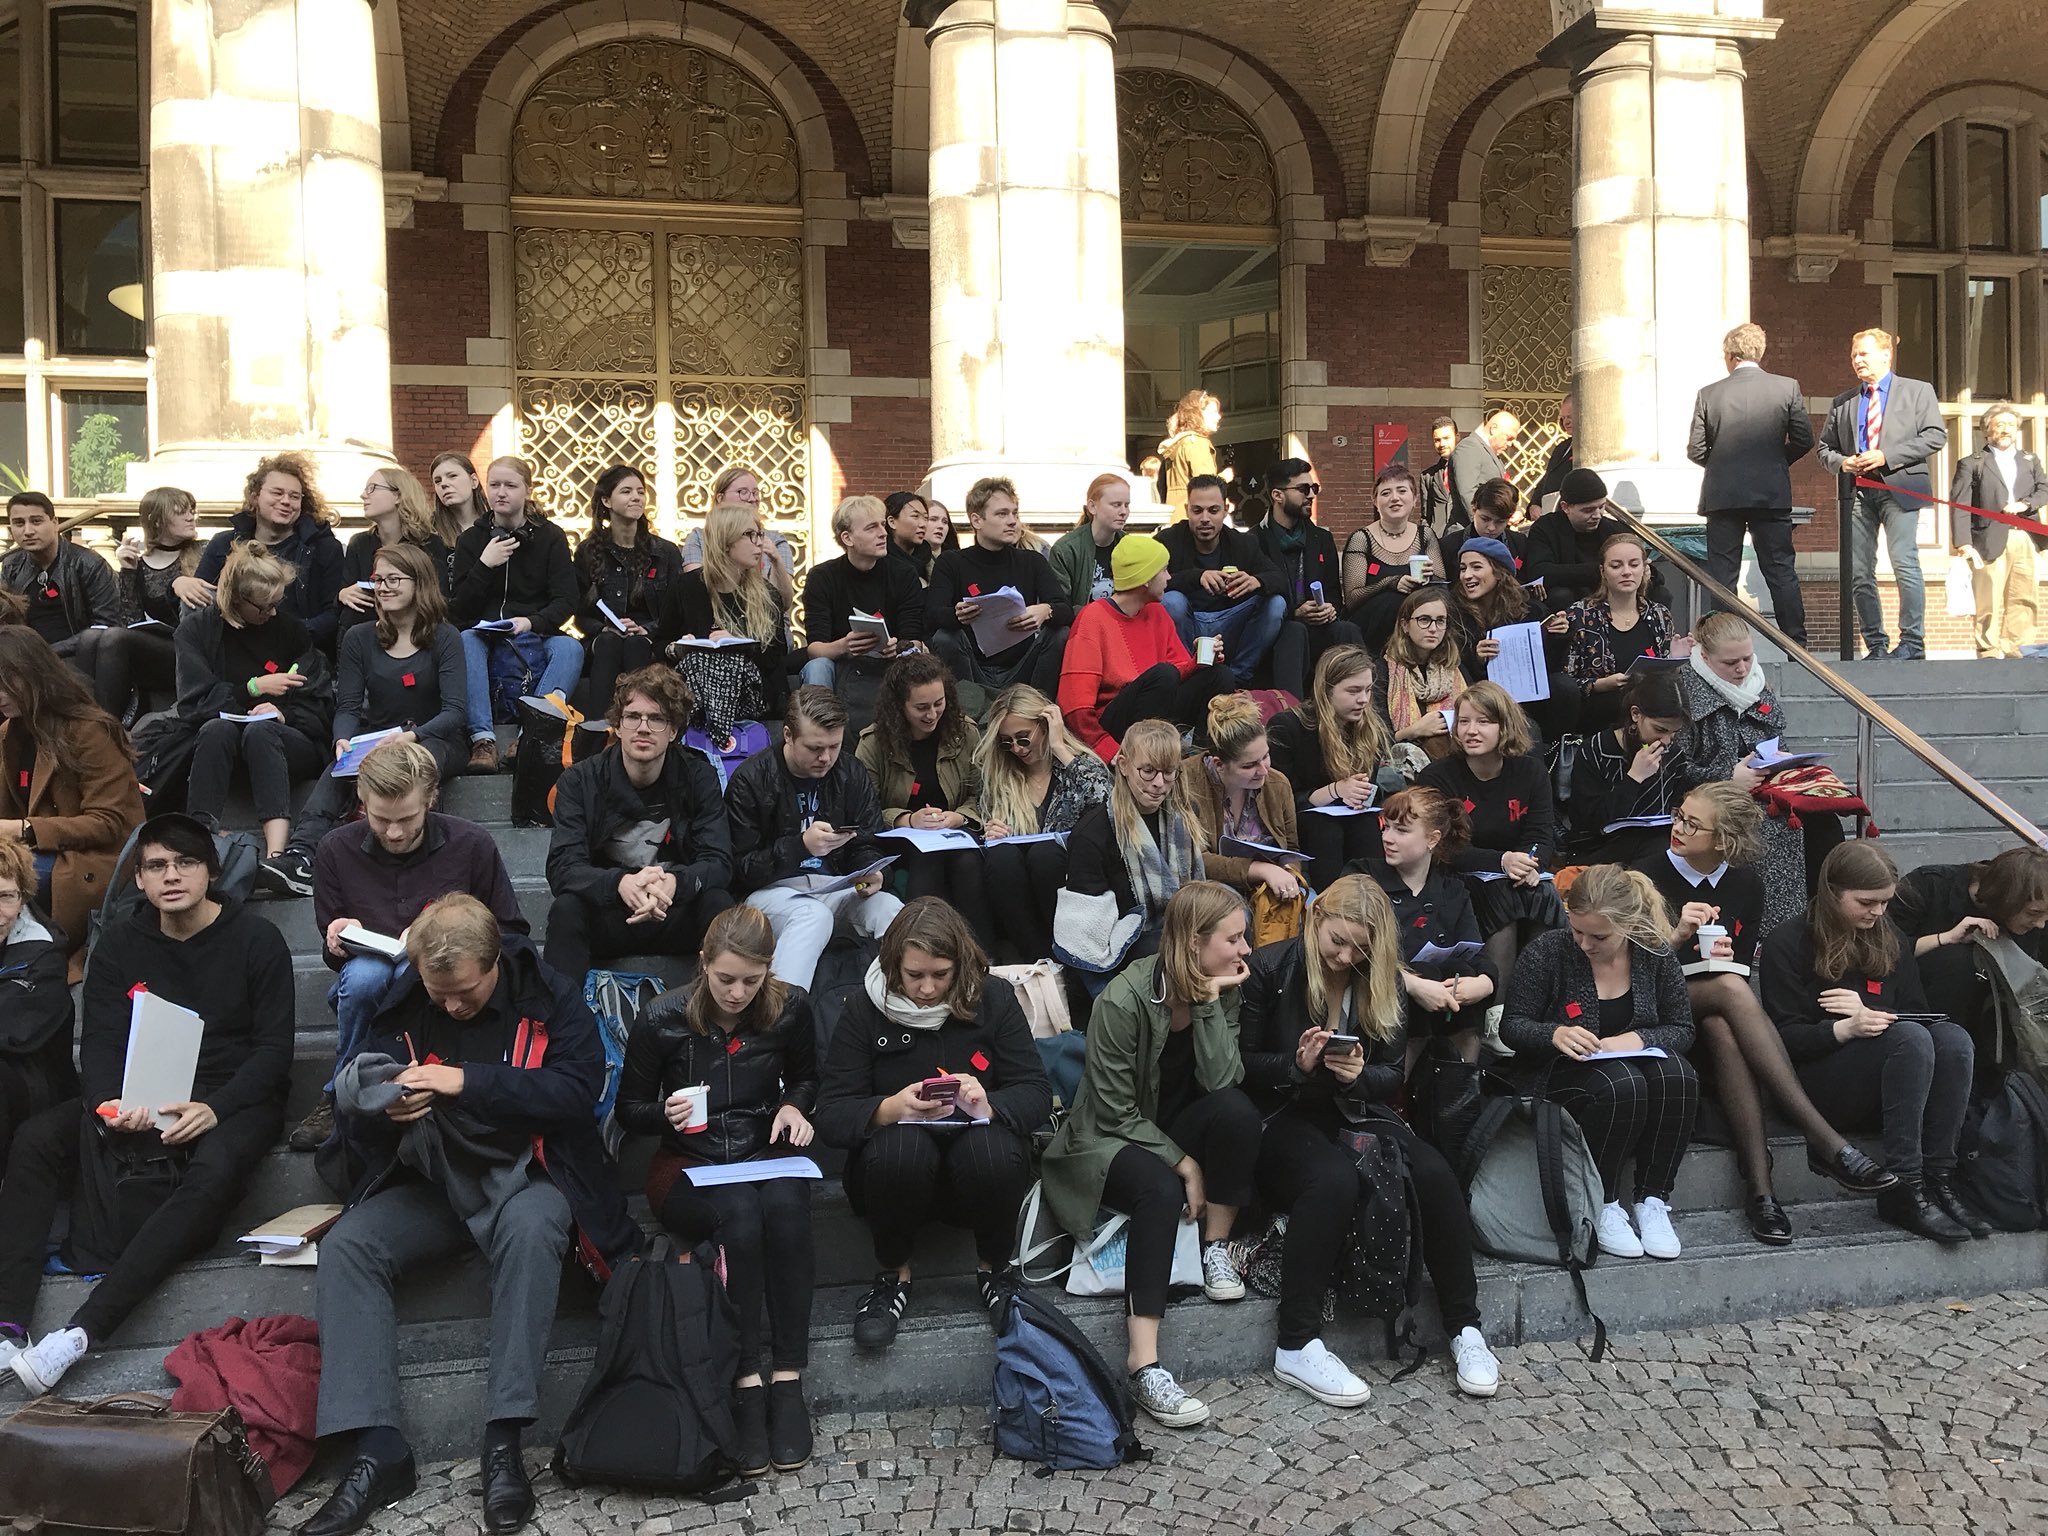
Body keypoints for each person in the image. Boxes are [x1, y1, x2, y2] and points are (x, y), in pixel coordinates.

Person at [302, 895, 637, 1536]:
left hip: (531, 1172)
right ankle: (378, 1449)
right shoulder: (405, 998)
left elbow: (579, 1090)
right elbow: (357, 1087)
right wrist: (379, 1108)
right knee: (349, 1245)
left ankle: (504, 1437)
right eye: (439, 993)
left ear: (494, 965)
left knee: (536, 1228)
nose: (451, 1006)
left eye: (465, 994)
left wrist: (467, 1080)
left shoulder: (549, 994)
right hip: (434, 1180)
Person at [0, 813, 290, 1397]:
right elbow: (101, 1040)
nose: (172, 876)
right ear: (138, 878)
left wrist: (215, 1108)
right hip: (142, 1089)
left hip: (231, 1097)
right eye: (156, 865)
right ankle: (8, 1324)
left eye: (185, 863)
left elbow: (273, 1051)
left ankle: (80, 1332)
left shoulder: (257, 939)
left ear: (210, 870)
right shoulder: (121, 945)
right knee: (36, 1139)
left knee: (212, 1174)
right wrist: (110, 1104)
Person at [1238, 874, 1502, 1399]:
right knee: (1331, 1183)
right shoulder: (1272, 968)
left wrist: (1358, 1074)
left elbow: (1390, 1074)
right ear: (1316, 921)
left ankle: (1465, 1327)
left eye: (1359, 947)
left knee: (1434, 1174)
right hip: (1282, 1112)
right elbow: (1240, 1066)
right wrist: (1298, 1064)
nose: (1343, 957)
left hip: (1352, 1108)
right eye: (1337, 942)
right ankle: (1296, 1342)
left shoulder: (1378, 977)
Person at [1040, 882, 1261, 1427]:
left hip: (1172, 1123)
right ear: (1192, 943)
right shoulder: (1123, 999)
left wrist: (1209, 1003)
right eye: (1233, 939)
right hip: (1106, 1137)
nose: (1245, 951)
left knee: (1238, 1111)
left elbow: (1223, 1080)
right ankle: (1145, 1365)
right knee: (1158, 1188)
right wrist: (1185, 1164)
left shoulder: (1224, 987)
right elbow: (1114, 1112)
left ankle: (1215, 1248)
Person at [1633, 782, 1892, 1245]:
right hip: (1646, 1005)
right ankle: (1824, 1140)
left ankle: (1762, 1191)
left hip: (1712, 1014)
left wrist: (1726, 957)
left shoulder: (1746, 884)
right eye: (1680, 815)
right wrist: (1674, 938)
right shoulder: (1643, 874)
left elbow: (1737, 963)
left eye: (1693, 824)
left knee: (1722, 1025)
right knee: (1731, 990)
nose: (1678, 827)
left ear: (1723, 839)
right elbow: (1620, 971)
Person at [615, 904, 820, 1476]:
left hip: (762, 1148)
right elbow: (628, 1109)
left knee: (785, 1209)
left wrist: (794, 1106)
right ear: (703, 963)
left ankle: (788, 1378)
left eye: (752, 981)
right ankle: (745, 1377)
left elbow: (807, 1077)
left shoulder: (789, 1008)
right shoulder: (662, 1016)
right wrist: (665, 1112)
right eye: (726, 978)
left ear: (769, 971)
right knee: (740, 1215)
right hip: (686, 1159)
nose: (737, 992)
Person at [815, 897, 1051, 1349]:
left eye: (940, 975)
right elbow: (832, 1112)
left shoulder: (994, 997)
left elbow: (1036, 1091)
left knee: (994, 1151)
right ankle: (893, 1275)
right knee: (902, 1147)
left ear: (960, 966)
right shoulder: (865, 1007)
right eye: (914, 975)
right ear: (893, 967)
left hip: (979, 1167)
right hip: (893, 1174)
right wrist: (890, 1109)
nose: (926, 989)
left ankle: (994, 1269)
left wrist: (988, 1106)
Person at [297, 740, 526, 1153]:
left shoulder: (471, 844)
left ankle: (409, 1083)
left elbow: (510, 931)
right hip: (366, 976)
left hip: (445, 976)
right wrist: (337, 938)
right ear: (361, 801)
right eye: (380, 819)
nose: (395, 832)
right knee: (369, 975)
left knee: (410, 973)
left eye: (407, 818)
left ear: (431, 799)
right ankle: (344, 1091)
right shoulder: (335, 849)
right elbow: (333, 958)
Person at [1758, 843, 1981, 1244]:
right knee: (1909, 1039)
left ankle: (1940, 1176)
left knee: (1953, 1040)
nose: (1878, 913)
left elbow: (1914, 1009)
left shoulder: (1889, 935)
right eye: (1866, 902)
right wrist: (1842, 1029)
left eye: (1885, 903)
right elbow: (1781, 1041)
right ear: (1831, 891)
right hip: (1815, 1084)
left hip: (1890, 1072)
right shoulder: (1788, 942)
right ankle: (1904, 1187)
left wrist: (1869, 1010)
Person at [1500, 863, 1699, 1260]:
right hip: (1559, 1072)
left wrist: (1639, 1037)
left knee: (1680, 1074)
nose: (1585, 943)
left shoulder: (1654, 953)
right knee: (1622, 1083)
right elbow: (1512, 1026)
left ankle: (1653, 1200)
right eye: (1577, 930)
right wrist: (1554, 1034)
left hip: (1628, 1066)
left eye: (1599, 936)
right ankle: (1603, 1202)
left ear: (1628, 926)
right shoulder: (1549, 951)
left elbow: (1682, 1028)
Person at [265, 541, 469, 893]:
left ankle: (406, 856)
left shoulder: (445, 637)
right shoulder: (360, 637)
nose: (384, 587)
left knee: (410, 763)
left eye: (395, 579)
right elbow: (347, 707)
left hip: (434, 739)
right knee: (340, 765)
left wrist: (412, 737)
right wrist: (342, 739)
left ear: (419, 582)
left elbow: (455, 711)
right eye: (378, 579)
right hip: (377, 736)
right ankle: (301, 856)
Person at [544, 665, 734, 982]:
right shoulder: (580, 780)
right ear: (618, 726)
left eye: (656, 719)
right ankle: (560, 1022)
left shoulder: (698, 776)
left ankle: (717, 1017)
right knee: (566, 910)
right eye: (633, 717)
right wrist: (619, 883)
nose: (643, 728)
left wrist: (675, 883)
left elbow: (720, 862)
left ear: (673, 731)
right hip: (611, 910)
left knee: (719, 904)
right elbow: (563, 867)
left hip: (672, 907)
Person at [1673, 611, 1841, 935]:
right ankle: (1775, 931)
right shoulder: (1682, 692)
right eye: (1730, 662)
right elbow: (1673, 767)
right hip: (1713, 798)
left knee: (1825, 823)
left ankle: (1822, 923)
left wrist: (1789, 765)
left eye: (1748, 658)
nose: (1742, 668)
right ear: (1704, 657)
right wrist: (1727, 778)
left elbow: (1775, 739)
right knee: (1766, 827)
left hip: (1766, 789)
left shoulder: (1756, 684)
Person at [726, 686, 903, 991]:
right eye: (814, 748)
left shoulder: (850, 771)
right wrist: (799, 847)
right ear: (788, 735)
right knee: (814, 916)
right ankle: (781, 1012)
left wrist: (874, 873)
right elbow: (739, 869)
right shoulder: (751, 778)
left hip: (835, 885)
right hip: (769, 892)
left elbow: (866, 841)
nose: (826, 757)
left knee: (890, 909)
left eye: (834, 746)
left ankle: (909, 1000)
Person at [176, 542, 332, 876]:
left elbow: (317, 703)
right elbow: (193, 702)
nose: (272, 613)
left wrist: (281, 713)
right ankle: (198, 839)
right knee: (215, 729)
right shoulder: (198, 630)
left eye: (278, 603)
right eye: (264, 607)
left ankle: (277, 855)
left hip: (289, 737)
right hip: (221, 738)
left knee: (262, 730)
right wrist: (254, 688)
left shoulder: (289, 630)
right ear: (235, 599)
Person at [0, 628, 143, 981]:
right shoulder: (9, 733)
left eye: (6, 683)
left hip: (94, 860)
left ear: (34, 675)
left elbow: (110, 822)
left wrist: (26, 830)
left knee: (25, 876)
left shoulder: (89, 730)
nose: (0, 695)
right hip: (37, 853)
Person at [1419, 681, 1562, 989]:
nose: (1471, 730)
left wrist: (1531, 863)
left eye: (1483, 722)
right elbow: (1441, 845)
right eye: (1464, 721)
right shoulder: (1438, 776)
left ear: (1504, 726)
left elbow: (1540, 834)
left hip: (1513, 871)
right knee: (1502, 896)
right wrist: (1502, 861)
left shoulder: (1531, 771)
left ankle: (1534, 1002)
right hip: (1457, 875)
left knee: (1543, 893)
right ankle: (1496, 1016)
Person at [1819, 327, 1947, 660]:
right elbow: (1824, 449)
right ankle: (1875, 644)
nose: (1857, 360)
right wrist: (1843, 462)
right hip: (1858, 493)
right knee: (1859, 570)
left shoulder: (1917, 392)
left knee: (1905, 562)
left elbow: (1935, 436)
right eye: (1853, 355)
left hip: (1900, 488)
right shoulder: (1843, 402)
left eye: (1864, 353)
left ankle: (1912, 643)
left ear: (1886, 355)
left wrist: (1886, 455)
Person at [448, 455, 581, 773]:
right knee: (465, 639)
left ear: (527, 491)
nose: (501, 492)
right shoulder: (472, 540)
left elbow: (566, 600)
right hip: (483, 632)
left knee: (570, 648)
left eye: (510, 485)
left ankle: (531, 735)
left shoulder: (550, 537)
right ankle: (483, 739)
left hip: (535, 631)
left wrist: (532, 622)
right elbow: (458, 609)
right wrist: (484, 564)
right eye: (494, 485)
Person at [1687, 322, 1814, 644]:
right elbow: (1803, 439)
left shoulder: (1709, 393)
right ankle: (1796, 645)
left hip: (1723, 495)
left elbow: (1696, 449)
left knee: (1723, 576)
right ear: (1761, 352)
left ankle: (1722, 644)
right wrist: (1773, 462)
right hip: (1770, 494)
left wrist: (1722, 467)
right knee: (1780, 570)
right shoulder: (1787, 388)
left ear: (1730, 356)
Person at [1057, 532, 1233, 762]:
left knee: (1219, 675)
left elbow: (1179, 672)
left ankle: (1200, 762)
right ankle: (1147, 761)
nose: (1169, 577)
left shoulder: (1157, 612)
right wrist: (1111, 753)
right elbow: (1075, 708)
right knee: (1163, 674)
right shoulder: (1093, 618)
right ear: (1146, 579)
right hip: (1113, 730)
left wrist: (1201, 659)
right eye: (1164, 570)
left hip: (1155, 710)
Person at [1352, 787, 1497, 1060]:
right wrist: (1413, 984)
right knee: (1425, 973)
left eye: (1402, 831)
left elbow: (1475, 950)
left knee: (1460, 970)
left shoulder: (1452, 890)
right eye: (1387, 827)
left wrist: (1485, 982)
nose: (1388, 838)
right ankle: (1392, 1091)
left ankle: (1461, 1088)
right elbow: (1352, 953)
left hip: (1443, 1008)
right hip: (1374, 992)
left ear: (1432, 839)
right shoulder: (1363, 876)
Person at [854, 653, 993, 935]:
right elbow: (863, 810)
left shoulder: (964, 732)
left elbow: (982, 795)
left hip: (955, 833)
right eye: (921, 707)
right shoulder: (873, 743)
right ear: (899, 706)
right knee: (927, 855)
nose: (932, 714)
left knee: (966, 860)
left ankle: (983, 954)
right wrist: (906, 820)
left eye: (938, 704)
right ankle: (919, 945)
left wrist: (959, 818)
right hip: (899, 840)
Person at [973, 685, 1111, 963]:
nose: (1016, 749)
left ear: (1047, 725)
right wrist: (992, 832)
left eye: (1023, 738)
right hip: (1019, 897)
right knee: (1000, 857)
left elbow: (1107, 801)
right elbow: (987, 825)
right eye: (1006, 741)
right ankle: (1037, 959)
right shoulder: (1002, 774)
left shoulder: (1075, 765)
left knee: (1045, 855)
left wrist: (1059, 747)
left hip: (1068, 884)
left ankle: (1063, 958)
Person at [1058, 719, 1201, 971]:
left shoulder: (1186, 814)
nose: (1159, 783)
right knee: (1167, 946)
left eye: (1169, 772)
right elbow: (1088, 930)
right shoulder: (1093, 833)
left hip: (1182, 926)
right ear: (1123, 765)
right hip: (1125, 944)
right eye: (1148, 771)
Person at [1891, 844, 2048, 1063]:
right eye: (2033, 913)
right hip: (1923, 1014)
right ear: (2007, 898)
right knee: (1959, 961)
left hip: (2003, 1035)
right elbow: (1878, 951)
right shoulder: (1930, 885)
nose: (2040, 924)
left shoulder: (2038, 917)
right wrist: (1944, 938)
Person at [1267, 645, 1402, 890]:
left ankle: (1374, 902)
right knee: (1326, 829)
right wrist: (1336, 790)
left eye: (1368, 690)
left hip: (1349, 816)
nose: (1363, 699)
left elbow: (1366, 785)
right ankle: (1327, 905)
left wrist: (1360, 795)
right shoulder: (1288, 727)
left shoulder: (1367, 726)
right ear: (1327, 690)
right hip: (1302, 818)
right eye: (1353, 691)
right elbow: (1281, 801)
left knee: (1367, 825)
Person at [925, 476, 1071, 695]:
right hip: (973, 666)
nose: (1012, 521)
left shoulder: (1032, 561)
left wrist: (1046, 610)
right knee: (945, 637)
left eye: (1015, 513)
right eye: (1002, 514)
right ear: (977, 520)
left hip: (1023, 665)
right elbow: (933, 615)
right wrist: (958, 615)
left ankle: (1039, 704)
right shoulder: (952, 562)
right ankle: (965, 709)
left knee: (1059, 632)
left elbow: (1066, 609)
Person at [194, 452, 346, 650]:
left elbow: (333, 614)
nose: (286, 501)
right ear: (255, 496)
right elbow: (200, 596)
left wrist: (290, 635)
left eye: (294, 496)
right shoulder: (224, 543)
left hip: (297, 648)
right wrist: (179, 584)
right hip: (234, 648)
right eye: (277, 493)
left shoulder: (324, 548)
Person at [666, 502, 791, 733]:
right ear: (725, 542)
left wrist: (738, 643)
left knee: (721, 664)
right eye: (749, 535)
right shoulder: (688, 586)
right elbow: (660, 643)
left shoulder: (766, 592)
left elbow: (775, 656)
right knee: (697, 663)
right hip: (697, 686)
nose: (759, 543)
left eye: (760, 535)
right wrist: (678, 647)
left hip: (753, 689)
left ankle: (717, 736)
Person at [3, 490, 131, 713]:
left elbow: (107, 625)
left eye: (36, 521)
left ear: (54, 523)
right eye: (19, 523)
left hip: (78, 655)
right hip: (25, 658)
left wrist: (49, 652)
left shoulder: (89, 564)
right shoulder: (12, 566)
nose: (28, 531)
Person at [573, 463, 684, 715]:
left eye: (640, 491)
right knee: (609, 642)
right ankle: (600, 729)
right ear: (606, 501)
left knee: (636, 644)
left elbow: (675, 612)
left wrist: (648, 629)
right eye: (626, 491)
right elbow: (580, 614)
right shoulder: (588, 551)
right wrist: (604, 628)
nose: (636, 497)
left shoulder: (665, 552)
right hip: (603, 642)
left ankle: (637, 718)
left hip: (651, 641)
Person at [1175, 693, 1303, 906]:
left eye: (1265, 757)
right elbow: (1195, 860)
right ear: (1219, 764)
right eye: (1249, 765)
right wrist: (1261, 870)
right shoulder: (1188, 784)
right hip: (1210, 890)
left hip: (1269, 887)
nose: (1263, 771)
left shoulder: (1278, 784)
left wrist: (1289, 873)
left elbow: (1291, 848)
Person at [1158, 475, 1286, 685]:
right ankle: (1185, 672)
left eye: (1213, 510)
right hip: (1186, 623)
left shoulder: (1243, 543)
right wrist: (1197, 576)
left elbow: (1279, 579)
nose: (1205, 518)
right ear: (1187, 509)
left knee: (1275, 603)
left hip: (1230, 622)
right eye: (1197, 510)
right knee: (1172, 601)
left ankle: (1238, 679)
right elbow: (1148, 583)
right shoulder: (1168, 540)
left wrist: (1257, 581)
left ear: (1226, 509)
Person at [1451, 534, 1578, 742]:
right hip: (1484, 695)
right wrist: (1477, 658)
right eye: (1463, 568)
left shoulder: (1530, 609)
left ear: (1499, 573)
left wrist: (1558, 635)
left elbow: (1550, 667)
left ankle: (1557, 748)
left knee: (1564, 687)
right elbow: (1457, 669)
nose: (1466, 575)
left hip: (1527, 697)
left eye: (1476, 567)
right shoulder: (1456, 613)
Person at [0, 839, 77, 1179]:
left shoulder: (43, 953)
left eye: (5, 897)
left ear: (22, 899)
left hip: (34, 1083)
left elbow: (16, 1030)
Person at [1252, 458, 1360, 697]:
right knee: (1294, 631)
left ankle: (1363, 708)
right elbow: (1255, 602)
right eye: (1303, 489)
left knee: (1347, 630)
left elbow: (1333, 590)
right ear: (1277, 495)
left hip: (1319, 628)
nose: (1311, 495)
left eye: (1314, 489)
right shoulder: (1253, 541)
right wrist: (1295, 612)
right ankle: (1291, 716)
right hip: (1279, 634)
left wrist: (1330, 608)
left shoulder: (1320, 538)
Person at [1563, 671, 1693, 866]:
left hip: (1655, 846)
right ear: (1635, 714)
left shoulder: (1674, 755)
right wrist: (1633, 778)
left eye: (1674, 733)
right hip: (1599, 849)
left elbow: (1676, 809)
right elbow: (1588, 822)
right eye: (1659, 730)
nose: (1666, 741)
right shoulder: (1595, 750)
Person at [1949, 403, 2048, 658]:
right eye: (2000, 425)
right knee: (1988, 600)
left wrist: (2026, 504)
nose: (2005, 430)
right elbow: (1960, 504)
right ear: (1987, 430)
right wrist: (1963, 543)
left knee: (2025, 597)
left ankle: (2019, 649)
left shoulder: (2030, 460)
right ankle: (1989, 651)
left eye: (2011, 426)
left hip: (2025, 536)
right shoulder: (1972, 463)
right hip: (1988, 539)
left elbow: (2044, 489)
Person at [800, 494, 927, 691]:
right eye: (871, 528)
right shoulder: (822, 576)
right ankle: (821, 721)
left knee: (913, 662)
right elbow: (815, 648)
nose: (883, 533)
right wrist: (844, 646)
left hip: (892, 664)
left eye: (883, 525)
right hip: (841, 664)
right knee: (817, 667)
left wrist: (898, 647)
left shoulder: (903, 573)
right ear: (847, 538)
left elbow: (914, 640)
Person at [1563, 531, 1675, 734]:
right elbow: (1565, 684)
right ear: (1603, 571)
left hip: (1649, 713)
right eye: (1616, 566)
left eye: (1634, 565)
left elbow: (1664, 671)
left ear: (1644, 569)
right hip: (1599, 716)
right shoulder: (1579, 615)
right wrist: (1600, 685)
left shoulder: (1660, 614)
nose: (1626, 572)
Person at [1524, 468, 1672, 613]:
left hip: (1613, 596)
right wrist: (1603, 571)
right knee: (1561, 595)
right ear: (1566, 507)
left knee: (1661, 594)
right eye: (1588, 510)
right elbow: (1540, 571)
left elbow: (1651, 572)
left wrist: (1646, 573)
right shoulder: (1546, 528)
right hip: (1571, 598)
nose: (1597, 515)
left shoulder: (1615, 530)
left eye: (1601, 507)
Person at [117, 486, 211, 702]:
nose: (191, 518)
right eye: (181, 512)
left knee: (113, 638)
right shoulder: (140, 565)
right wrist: (128, 571)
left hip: (195, 650)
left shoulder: (206, 551)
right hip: (158, 651)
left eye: (191, 511)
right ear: (157, 521)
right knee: (100, 638)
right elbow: (130, 622)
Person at [337, 468, 450, 639]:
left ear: (398, 495)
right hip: (366, 628)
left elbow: (439, 598)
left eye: (372, 488)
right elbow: (346, 590)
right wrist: (342, 594)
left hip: (416, 630)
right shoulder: (359, 543)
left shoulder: (428, 543)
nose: (363, 495)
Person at [1341, 465, 1443, 647]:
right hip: (1372, 631)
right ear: (1375, 501)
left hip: (1419, 630)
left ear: (1414, 499)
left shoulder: (1425, 535)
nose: (1394, 498)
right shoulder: (1361, 538)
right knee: (1394, 600)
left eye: (1402, 491)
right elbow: (1352, 599)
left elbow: (1443, 590)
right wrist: (1391, 583)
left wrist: (1431, 578)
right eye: (1386, 493)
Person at [681, 465, 796, 606]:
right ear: (720, 498)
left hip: (765, 621)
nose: (752, 498)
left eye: (755, 493)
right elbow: (696, 590)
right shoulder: (699, 538)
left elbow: (782, 602)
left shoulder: (775, 540)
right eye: (743, 492)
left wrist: (776, 560)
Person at [1376, 586, 1463, 763]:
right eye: (1424, 620)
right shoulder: (1382, 670)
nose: (1433, 628)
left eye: (1440, 621)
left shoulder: (1452, 667)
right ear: (1405, 625)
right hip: (1404, 757)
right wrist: (1415, 730)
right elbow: (1376, 739)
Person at [1048, 474, 1132, 610]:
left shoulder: (1130, 546)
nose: (1123, 512)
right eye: (1116, 505)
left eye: (1127, 505)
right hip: (1081, 625)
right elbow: (1060, 606)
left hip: (1121, 625)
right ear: (1092, 507)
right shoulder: (1066, 550)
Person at [1439, 477, 1530, 578]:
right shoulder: (1449, 546)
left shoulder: (1520, 544)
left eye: (1500, 522)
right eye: (1485, 519)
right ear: (1473, 510)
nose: (1491, 528)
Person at [1449, 410, 1520, 526]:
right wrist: (1487, 525)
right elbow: (1468, 493)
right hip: (1470, 534)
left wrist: (1514, 510)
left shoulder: (1490, 453)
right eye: (1509, 438)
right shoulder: (1469, 448)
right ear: (1493, 429)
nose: (1511, 444)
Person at [428, 451, 489, 583]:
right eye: (437, 481)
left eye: (452, 476)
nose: (443, 484)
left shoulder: (495, 526)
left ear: (474, 481)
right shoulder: (428, 531)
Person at [1158, 390, 1221, 513]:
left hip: (1176, 517)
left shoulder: (1177, 445)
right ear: (1197, 414)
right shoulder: (1197, 443)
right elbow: (1205, 487)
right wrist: (1224, 478)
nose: (1219, 417)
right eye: (1213, 412)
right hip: (1194, 519)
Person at [1528, 398, 1576, 509]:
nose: (1566, 422)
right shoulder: (1562, 447)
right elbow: (1548, 477)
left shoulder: (1590, 448)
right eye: (1563, 418)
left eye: (1570, 417)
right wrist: (1534, 504)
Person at [885, 490, 936, 583]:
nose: (923, 524)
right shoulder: (876, 561)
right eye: (915, 516)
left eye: (925, 518)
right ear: (892, 522)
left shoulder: (933, 561)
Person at [1421, 416, 1459, 537]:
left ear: (1457, 437)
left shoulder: (1472, 469)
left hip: (1465, 541)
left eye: (1446, 438)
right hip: (1438, 542)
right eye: (1437, 440)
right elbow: (1426, 516)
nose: (1442, 444)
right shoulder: (1427, 476)